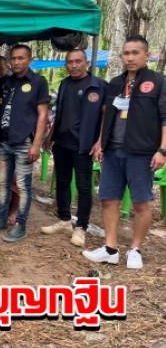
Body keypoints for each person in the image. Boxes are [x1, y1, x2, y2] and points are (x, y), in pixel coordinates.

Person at [84, 35, 166, 270]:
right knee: (109, 199)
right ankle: (110, 249)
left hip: (141, 152)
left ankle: (135, 249)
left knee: (142, 203)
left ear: (146, 55)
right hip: (112, 150)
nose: (130, 58)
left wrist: (162, 150)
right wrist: (100, 142)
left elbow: (164, 118)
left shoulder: (158, 82)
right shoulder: (115, 83)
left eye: (135, 53)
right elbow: (107, 115)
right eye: (126, 53)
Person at [0, 44, 49, 242]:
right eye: (13, 58)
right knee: (3, 182)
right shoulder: (8, 81)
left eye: (21, 58)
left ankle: (20, 225)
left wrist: (36, 144)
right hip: (4, 141)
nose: (17, 62)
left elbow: (43, 115)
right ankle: (1, 219)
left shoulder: (38, 82)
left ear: (30, 60)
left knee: (23, 185)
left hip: (24, 142)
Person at [41, 50, 106, 247]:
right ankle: (64, 220)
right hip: (62, 142)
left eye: (78, 61)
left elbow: (106, 116)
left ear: (86, 63)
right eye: (70, 62)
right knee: (62, 182)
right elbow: (59, 112)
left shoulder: (98, 85)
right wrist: (49, 136)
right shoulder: (65, 84)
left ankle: (81, 227)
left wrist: (100, 142)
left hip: (84, 145)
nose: (74, 65)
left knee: (84, 187)